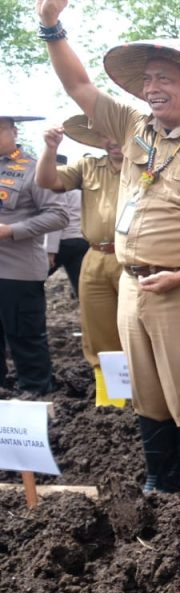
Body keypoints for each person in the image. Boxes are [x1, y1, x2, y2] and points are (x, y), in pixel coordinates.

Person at [37, 0, 180, 492]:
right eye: (148, 79)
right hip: (132, 285)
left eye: (166, 79)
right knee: (148, 393)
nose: (153, 88)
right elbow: (79, 86)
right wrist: (51, 26)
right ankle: (161, 484)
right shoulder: (134, 127)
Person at [35, 117, 128, 408]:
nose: (113, 142)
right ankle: (111, 400)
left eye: (119, 134)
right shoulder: (88, 166)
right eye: (106, 135)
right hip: (96, 255)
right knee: (98, 331)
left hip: (135, 258)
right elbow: (46, 181)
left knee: (139, 328)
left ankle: (147, 398)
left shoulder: (149, 167)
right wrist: (50, 148)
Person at [0, 112, 69, 395]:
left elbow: (58, 215)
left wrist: (11, 230)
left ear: (14, 131)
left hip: (17, 271)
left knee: (25, 338)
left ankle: (37, 394)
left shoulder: (33, 169)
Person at [44, 154, 90, 300]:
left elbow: (56, 220)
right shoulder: (79, 190)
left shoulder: (57, 189)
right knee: (80, 286)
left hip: (63, 242)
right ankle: (86, 312)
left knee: (33, 279)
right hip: (82, 241)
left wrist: (50, 250)